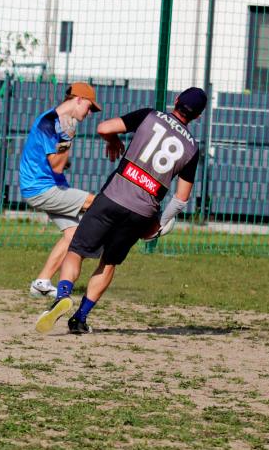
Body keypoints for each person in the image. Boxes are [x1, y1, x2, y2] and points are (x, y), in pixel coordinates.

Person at [34, 87, 207, 335]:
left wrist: (113, 140)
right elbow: (181, 199)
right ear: (198, 116)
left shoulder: (150, 116)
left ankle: (62, 295)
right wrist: (160, 224)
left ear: (176, 100)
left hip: (112, 197)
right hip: (142, 212)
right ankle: (80, 318)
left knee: (76, 250)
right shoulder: (191, 148)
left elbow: (104, 128)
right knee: (109, 262)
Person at [19, 82, 101, 297]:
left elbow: (56, 161)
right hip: (42, 189)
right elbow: (56, 165)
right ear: (79, 99)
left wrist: (64, 153)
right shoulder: (50, 122)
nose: (89, 113)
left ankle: (41, 283)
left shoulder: (59, 122)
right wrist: (67, 139)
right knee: (98, 203)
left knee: (73, 234)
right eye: (90, 107)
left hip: (48, 185)